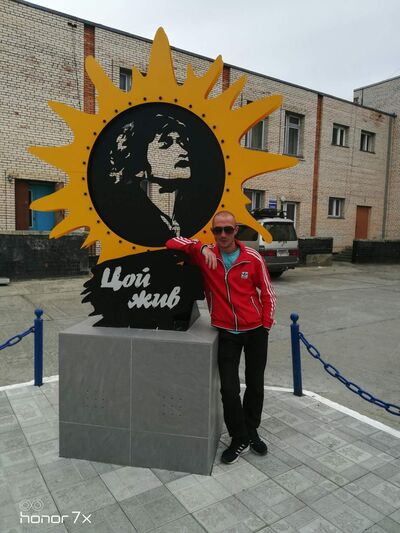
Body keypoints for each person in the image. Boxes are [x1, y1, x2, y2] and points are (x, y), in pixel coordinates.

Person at [166, 211, 276, 464]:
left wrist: (266, 325)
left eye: (228, 229)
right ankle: (239, 437)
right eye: (218, 230)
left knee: (255, 385)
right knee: (228, 389)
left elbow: (268, 292)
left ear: (236, 230)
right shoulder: (207, 256)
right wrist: (201, 247)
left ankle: (252, 430)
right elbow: (172, 242)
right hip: (227, 332)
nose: (223, 235)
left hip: (256, 331)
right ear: (213, 232)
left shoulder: (252, 257)